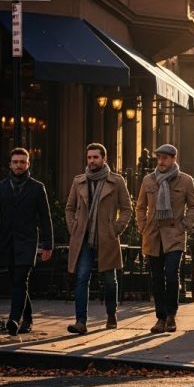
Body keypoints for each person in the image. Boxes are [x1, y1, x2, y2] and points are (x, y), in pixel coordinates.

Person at [0, 147, 53, 336]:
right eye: (15, 162)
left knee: (21, 278)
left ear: (28, 164)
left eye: (22, 162)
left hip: (28, 241)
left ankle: (14, 319)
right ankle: (27, 319)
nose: (19, 165)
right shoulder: (1, 187)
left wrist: (48, 245)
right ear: (10, 164)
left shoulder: (38, 188)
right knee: (16, 281)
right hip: (7, 241)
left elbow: (45, 218)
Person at [64, 143, 133, 335]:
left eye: (95, 157)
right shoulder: (79, 181)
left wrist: (116, 229)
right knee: (82, 277)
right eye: (89, 158)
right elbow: (69, 208)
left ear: (104, 159)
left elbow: (127, 208)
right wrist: (74, 227)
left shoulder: (116, 181)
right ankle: (80, 322)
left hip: (107, 237)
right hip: (84, 238)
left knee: (109, 280)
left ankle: (111, 314)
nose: (92, 161)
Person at [136, 143, 194, 334]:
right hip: (153, 235)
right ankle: (160, 318)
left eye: (165, 158)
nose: (161, 161)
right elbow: (140, 207)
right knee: (156, 278)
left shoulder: (185, 181)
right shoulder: (149, 180)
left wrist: (184, 226)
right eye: (159, 158)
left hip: (174, 235)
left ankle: (171, 314)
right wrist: (143, 227)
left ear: (173, 159)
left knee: (171, 274)